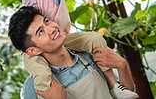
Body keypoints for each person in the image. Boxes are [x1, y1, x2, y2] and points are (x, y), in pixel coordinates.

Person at [8, 6, 139, 99]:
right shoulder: (33, 87)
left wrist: (122, 66)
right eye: (41, 31)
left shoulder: (90, 56)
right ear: (33, 51)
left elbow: (124, 94)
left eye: (47, 21)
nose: (51, 29)